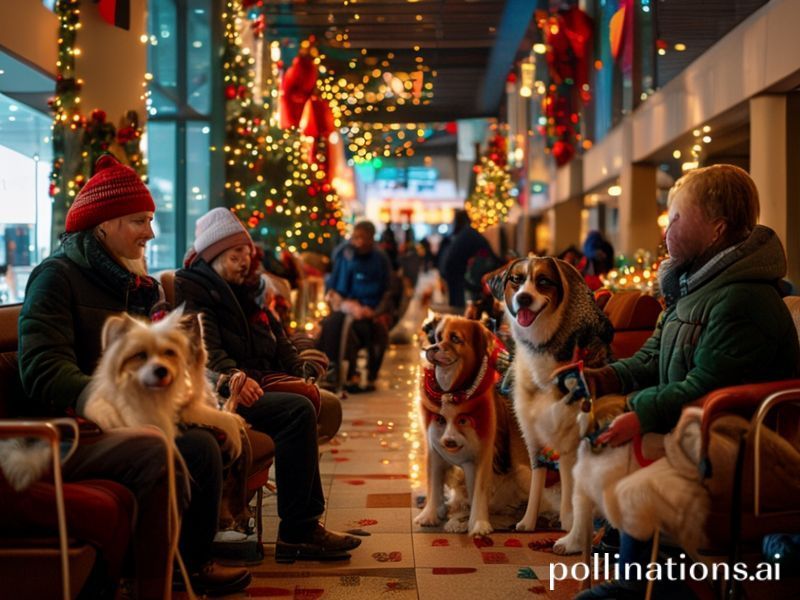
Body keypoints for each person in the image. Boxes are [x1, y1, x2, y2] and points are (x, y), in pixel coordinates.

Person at [17, 155, 250, 597]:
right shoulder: (56, 278)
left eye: (150, 220)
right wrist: (112, 403)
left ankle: (187, 560)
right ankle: (167, 574)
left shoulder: (132, 283)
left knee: (205, 438)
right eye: (139, 221)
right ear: (103, 224)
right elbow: (42, 370)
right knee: (188, 447)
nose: (150, 232)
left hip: (133, 416)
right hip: (70, 429)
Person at [577, 164, 800, 599]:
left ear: (716, 229)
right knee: (596, 449)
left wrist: (638, 415)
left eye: (676, 217)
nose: (666, 230)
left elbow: (707, 385)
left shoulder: (742, 298)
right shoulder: (694, 289)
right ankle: (658, 579)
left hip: (739, 444)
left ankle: (642, 587)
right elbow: (649, 359)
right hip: (693, 429)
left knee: (629, 478)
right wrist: (598, 379)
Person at [174, 207, 360, 562]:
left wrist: (298, 364)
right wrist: (231, 379)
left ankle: (301, 527)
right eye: (235, 255)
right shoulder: (197, 292)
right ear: (213, 257)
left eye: (246, 253)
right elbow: (207, 352)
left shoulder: (245, 291)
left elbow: (278, 338)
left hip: (251, 381)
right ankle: (299, 530)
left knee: (302, 405)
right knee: (297, 410)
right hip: (219, 392)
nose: (245, 262)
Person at [318, 220, 393, 393]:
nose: (357, 242)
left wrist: (375, 312)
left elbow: (388, 291)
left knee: (370, 332)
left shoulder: (380, 258)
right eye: (355, 237)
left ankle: (363, 375)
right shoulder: (345, 255)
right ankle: (336, 371)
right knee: (331, 325)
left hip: (372, 310)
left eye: (362, 238)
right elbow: (334, 287)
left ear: (371, 239)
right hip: (347, 306)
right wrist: (346, 304)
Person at [438, 209, 497, 309]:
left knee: (455, 296)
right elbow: (487, 248)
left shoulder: (462, 234)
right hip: (454, 269)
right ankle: (458, 319)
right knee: (458, 298)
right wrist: (502, 262)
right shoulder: (470, 233)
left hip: (448, 268)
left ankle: (456, 317)